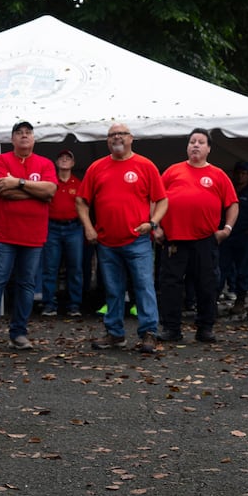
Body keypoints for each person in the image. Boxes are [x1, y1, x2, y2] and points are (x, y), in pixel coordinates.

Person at [75, 124, 166, 353]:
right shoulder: (97, 167)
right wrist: (88, 227)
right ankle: (115, 334)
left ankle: (149, 333)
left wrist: (153, 223)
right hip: (107, 242)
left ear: (131, 138)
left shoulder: (145, 166)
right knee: (113, 290)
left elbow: (162, 200)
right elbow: (81, 201)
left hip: (137, 240)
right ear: (107, 141)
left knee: (144, 286)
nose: (116, 137)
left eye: (121, 134)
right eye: (111, 135)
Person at [0, 121, 56, 352]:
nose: (24, 136)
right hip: (3, 234)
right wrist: (36, 192)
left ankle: (19, 333)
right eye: (19, 133)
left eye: (28, 133)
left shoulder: (45, 163)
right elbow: (3, 190)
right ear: (12, 139)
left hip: (33, 236)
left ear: (34, 139)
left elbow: (50, 191)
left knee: (27, 285)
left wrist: (18, 183)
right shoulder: (1, 160)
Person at [155, 129, 238, 343]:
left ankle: (205, 328)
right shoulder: (173, 171)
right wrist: (156, 226)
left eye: (201, 142)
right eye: (192, 142)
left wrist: (226, 229)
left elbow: (232, 204)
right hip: (174, 238)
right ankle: (171, 328)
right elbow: (155, 199)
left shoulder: (218, 175)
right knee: (170, 284)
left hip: (205, 239)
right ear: (187, 146)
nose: (196, 145)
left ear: (209, 148)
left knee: (206, 284)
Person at [40, 148, 84, 318]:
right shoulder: (50, 182)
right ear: (56, 163)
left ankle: (74, 305)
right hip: (52, 228)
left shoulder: (78, 183)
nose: (65, 160)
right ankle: (49, 304)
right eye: (61, 158)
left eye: (68, 158)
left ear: (73, 163)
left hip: (74, 228)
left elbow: (84, 206)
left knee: (76, 267)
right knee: (50, 268)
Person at [218, 161, 248, 317]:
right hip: (226, 235)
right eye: (239, 173)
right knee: (220, 268)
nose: (241, 176)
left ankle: (240, 300)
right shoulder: (227, 190)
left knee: (244, 269)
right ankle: (213, 300)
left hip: (246, 236)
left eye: (244, 173)